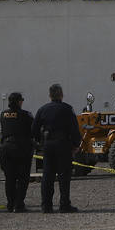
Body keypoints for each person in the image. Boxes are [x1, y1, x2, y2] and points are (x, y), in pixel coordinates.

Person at [32, 83, 82, 213]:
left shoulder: (43, 109)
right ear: (61, 95)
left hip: (48, 145)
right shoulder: (67, 109)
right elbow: (74, 129)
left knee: (47, 176)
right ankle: (64, 205)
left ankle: (46, 206)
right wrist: (76, 145)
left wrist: (40, 143)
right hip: (63, 145)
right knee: (64, 176)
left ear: (49, 95)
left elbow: (34, 129)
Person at [0, 91, 34, 212]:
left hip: (6, 148)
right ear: (19, 102)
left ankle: (10, 203)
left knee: (10, 177)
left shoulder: (3, 114)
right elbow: (33, 130)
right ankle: (19, 204)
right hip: (21, 148)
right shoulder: (26, 115)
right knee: (23, 178)